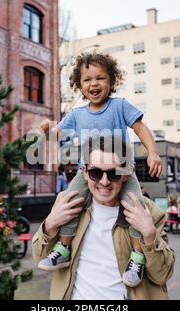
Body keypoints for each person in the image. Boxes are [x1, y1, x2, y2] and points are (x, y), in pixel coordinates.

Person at [37, 52, 163, 287]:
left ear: (111, 81)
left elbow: (140, 128)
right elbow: (57, 136)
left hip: (122, 171)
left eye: (100, 78)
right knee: (69, 200)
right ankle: (63, 247)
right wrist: (47, 132)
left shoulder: (120, 106)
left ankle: (137, 257)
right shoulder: (77, 114)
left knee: (135, 207)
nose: (94, 84)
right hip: (88, 172)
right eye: (87, 80)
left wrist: (153, 152)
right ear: (79, 85)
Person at [32, 136, 175, 299]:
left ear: (125, 174)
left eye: (113, 173)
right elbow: (40, 258)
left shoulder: (148, 212)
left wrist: (149, 236)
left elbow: (162, 275)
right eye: (96, 173)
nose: (104, 182)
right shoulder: (66, 203)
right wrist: (49, 225)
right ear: (84, 172)